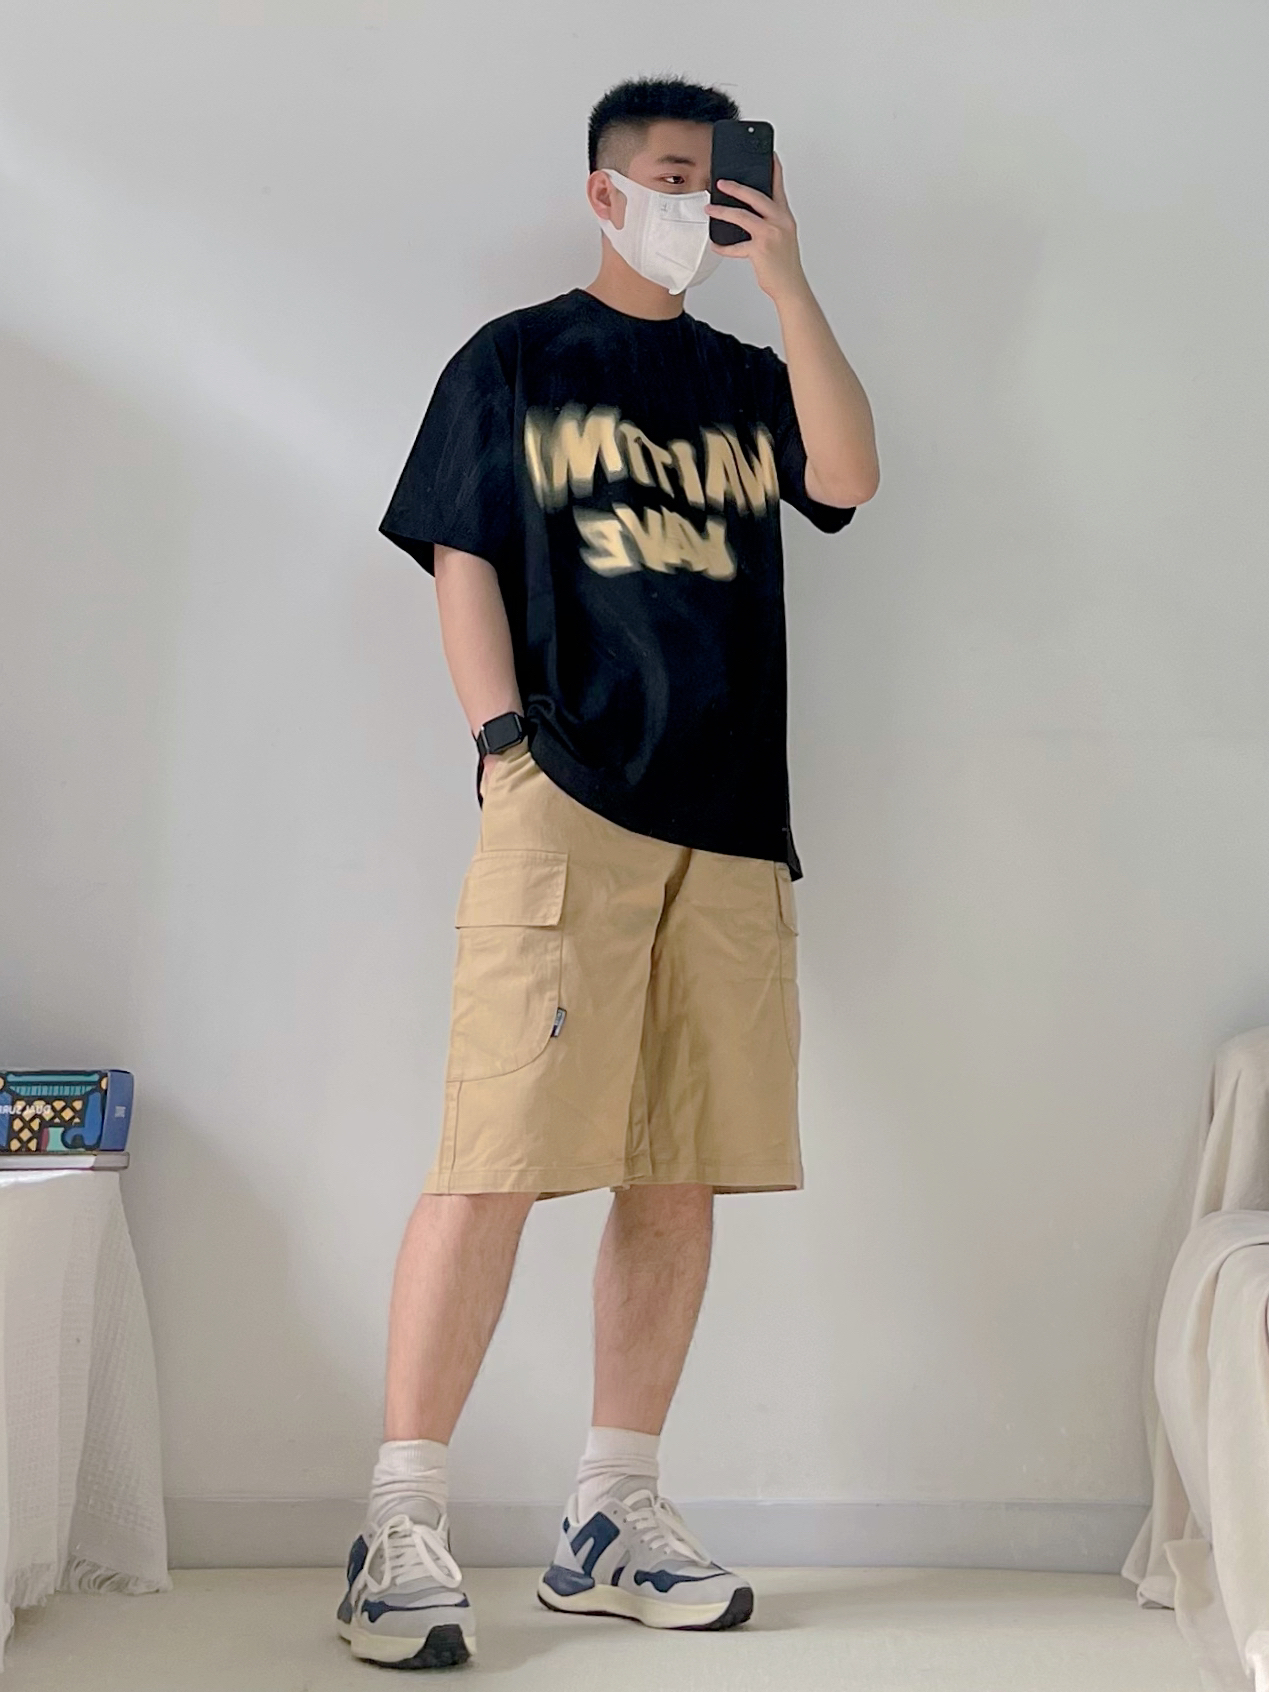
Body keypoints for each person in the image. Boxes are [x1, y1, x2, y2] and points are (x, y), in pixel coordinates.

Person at [337, 74, 879, 1670]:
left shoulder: (742, 375)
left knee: (677, 1167)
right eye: (671, 176)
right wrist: (503, 745)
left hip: (730, 820)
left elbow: (847, 480)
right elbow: (460, 558)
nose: (696, 204)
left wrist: (789, 284)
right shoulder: (514, 359)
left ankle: (610, 1514)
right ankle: (398, 1524)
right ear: (603, 192)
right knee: (495, 1153)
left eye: (719, 181)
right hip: (566, 793)